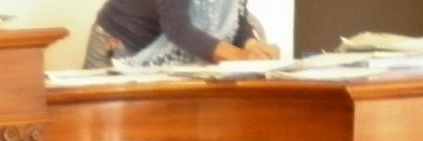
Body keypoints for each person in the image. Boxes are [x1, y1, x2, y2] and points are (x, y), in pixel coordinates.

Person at [83, 0, 280, 68]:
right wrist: (240, 56)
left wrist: (252, 46)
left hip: (171, 48)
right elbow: (177, 27)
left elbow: (236, 14)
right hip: (123, 44)